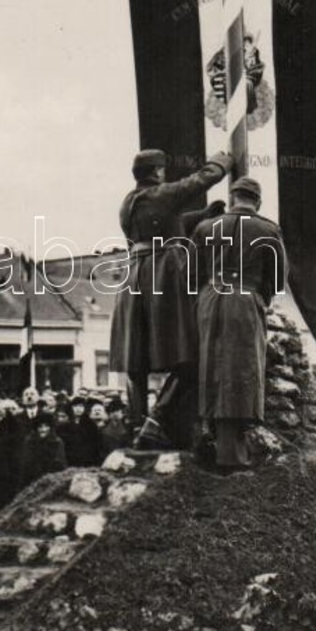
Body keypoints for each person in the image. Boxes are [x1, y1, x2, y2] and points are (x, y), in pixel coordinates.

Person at [109, 147, 233, 449]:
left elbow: (162, 223)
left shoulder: (130, 202)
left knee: (135, 359)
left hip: (135, 274)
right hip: (162, 272)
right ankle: (157, 420)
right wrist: (224, 160)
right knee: (190, 353)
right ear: (157, 172)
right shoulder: (161, 194)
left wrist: (202, 216)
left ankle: (137, 427)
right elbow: (203, 179)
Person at [193, 176, 286, 472]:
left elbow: (191, 275)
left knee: (213, 367)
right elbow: (277, 279)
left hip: (210, 300)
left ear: (232, 198)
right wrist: (260, 298)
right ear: (257, 201)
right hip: (246, 301)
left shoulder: (206, 227)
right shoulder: (269, 230)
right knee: (243, 370)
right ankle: (233, 453)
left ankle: (215, 440)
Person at [19, 414, 67, 490]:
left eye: (46, 426)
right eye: (40, 427)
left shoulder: (57, 441)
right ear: (36, 428)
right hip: (32, 480)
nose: (43, 429)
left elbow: (61, 462)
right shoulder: (29, 441)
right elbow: (25, 462)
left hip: (52, 480)